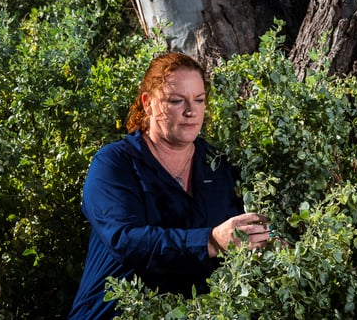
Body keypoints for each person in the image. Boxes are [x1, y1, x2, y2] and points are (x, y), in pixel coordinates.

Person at [68, 52, 272, 319]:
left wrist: (262, 242)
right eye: (176, 101)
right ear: (148, 103)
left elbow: (234, 244)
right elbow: (126, 240)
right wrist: (210, 241)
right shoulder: (114, 163)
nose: (191, 111)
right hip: (113, 312)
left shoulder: (218, 165)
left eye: (199, 100)